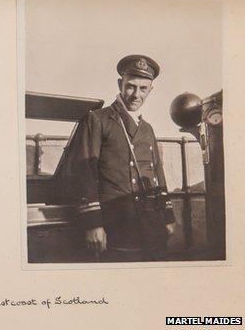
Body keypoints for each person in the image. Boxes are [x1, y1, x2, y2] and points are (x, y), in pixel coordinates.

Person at [67, 55, 176, 262]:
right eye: (131, 86)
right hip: (117, 224)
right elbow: (85, 173)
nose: (136, 95)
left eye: (143, 89)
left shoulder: (147, 129)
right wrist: (93, 224)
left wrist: (168, 216)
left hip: (152, 223)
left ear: (150, 90)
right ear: (120, 84)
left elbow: (158, 174)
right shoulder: (98, 119)